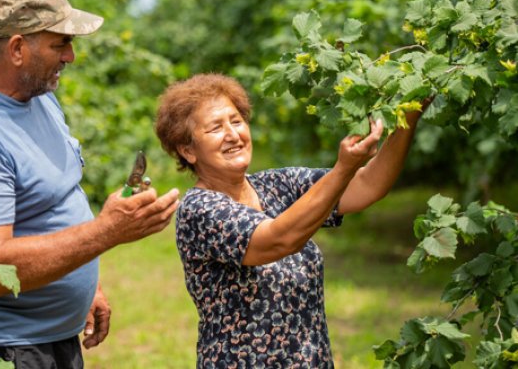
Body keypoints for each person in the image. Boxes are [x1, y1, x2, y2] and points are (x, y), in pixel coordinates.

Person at [0, 0, 179, 369]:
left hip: (49, 339)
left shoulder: (36, 97)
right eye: (61, 43)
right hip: (2, 350)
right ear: (18, 48)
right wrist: (107, 232)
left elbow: (50, 204)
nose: (70, 56)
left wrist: (86, 286)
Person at [154, 73, 426, 368]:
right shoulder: (199, 210)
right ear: (188, 150)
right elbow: (278, 239)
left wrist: (409, 114)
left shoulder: (277, 185)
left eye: (236, 121)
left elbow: (369, 185)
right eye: (216, 128)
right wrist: (342, 169)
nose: (232, 134)